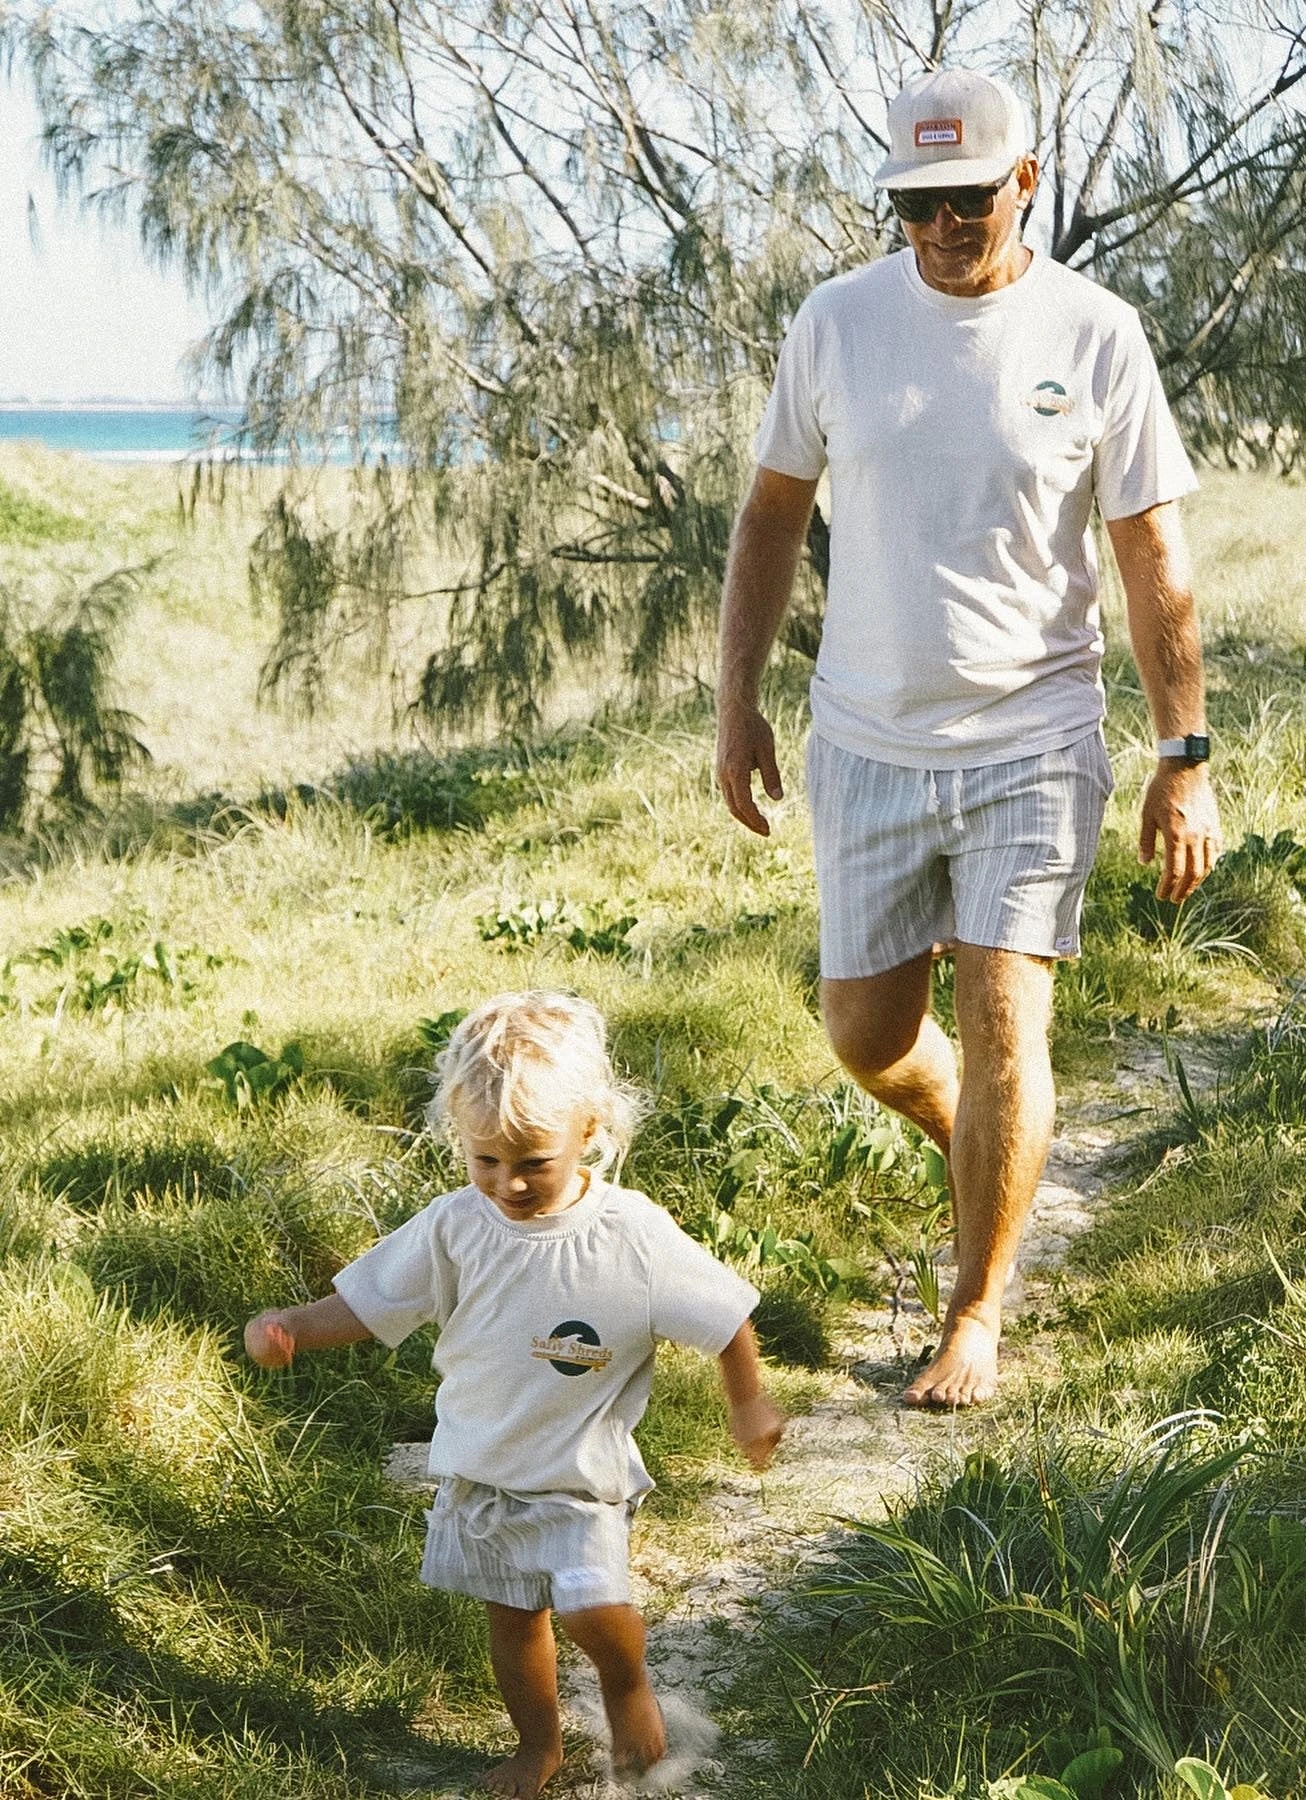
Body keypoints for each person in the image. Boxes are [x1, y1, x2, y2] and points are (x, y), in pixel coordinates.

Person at [716, 66, 1221, 1412]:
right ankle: (978, 1142)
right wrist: (736, 700)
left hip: (1033, 737)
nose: (943, 225)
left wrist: (1184, 758)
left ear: (1027, 183)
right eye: (918, 202)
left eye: (970, 198)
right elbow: (771, 516)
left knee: (1006, 1019)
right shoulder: (836, 323)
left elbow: (1152, 556)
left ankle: (977, 1309)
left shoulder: (1095, 333)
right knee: (867, 1036)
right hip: (866, 740)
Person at [243, 990, 785, 1800]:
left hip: (579, 1474)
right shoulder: (454, 1226)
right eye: (486, 1160)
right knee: (513, 1621)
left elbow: (726, 1317)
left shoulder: (631, 1236)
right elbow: (369, 1302)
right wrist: (291, 1325)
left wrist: (749, 1404)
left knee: (592, 1610)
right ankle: (539, 1746)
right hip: (484, 1470)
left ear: (589, 1130)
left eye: (533, 1162)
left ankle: (626, 1683)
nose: (509, 1183)